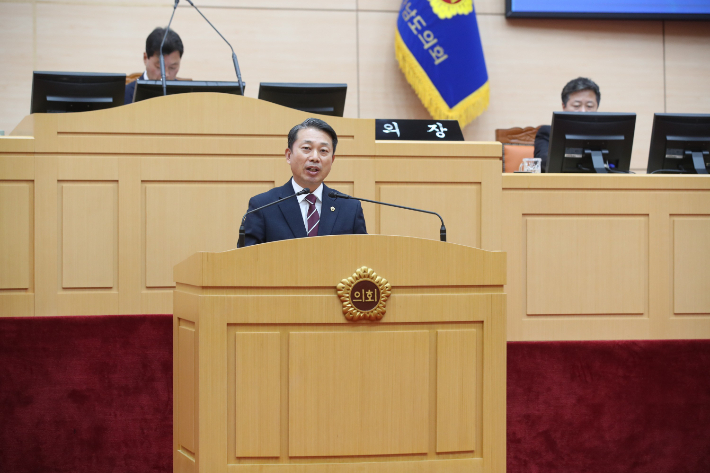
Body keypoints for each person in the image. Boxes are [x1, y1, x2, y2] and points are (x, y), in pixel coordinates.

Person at [243, 118, 367, 246]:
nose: (315, 157)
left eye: (323, 151)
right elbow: (247, 260)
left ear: (332, 159)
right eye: (307, 148)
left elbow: (363, 256)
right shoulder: (263, 205)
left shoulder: (350, 208)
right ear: (288, 155)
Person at [534, 77, 601, 171]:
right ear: (564, 106)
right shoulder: (547, 133)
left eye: (589, 106)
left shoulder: (603, 135)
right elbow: (543, 162)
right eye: (576, 106)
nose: (583, 111)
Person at [124, 27, 184, 105]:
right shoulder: (125, 95)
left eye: (172, 67)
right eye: (159, 67)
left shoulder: (184, 95)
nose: (166, 74)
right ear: (145, 58)